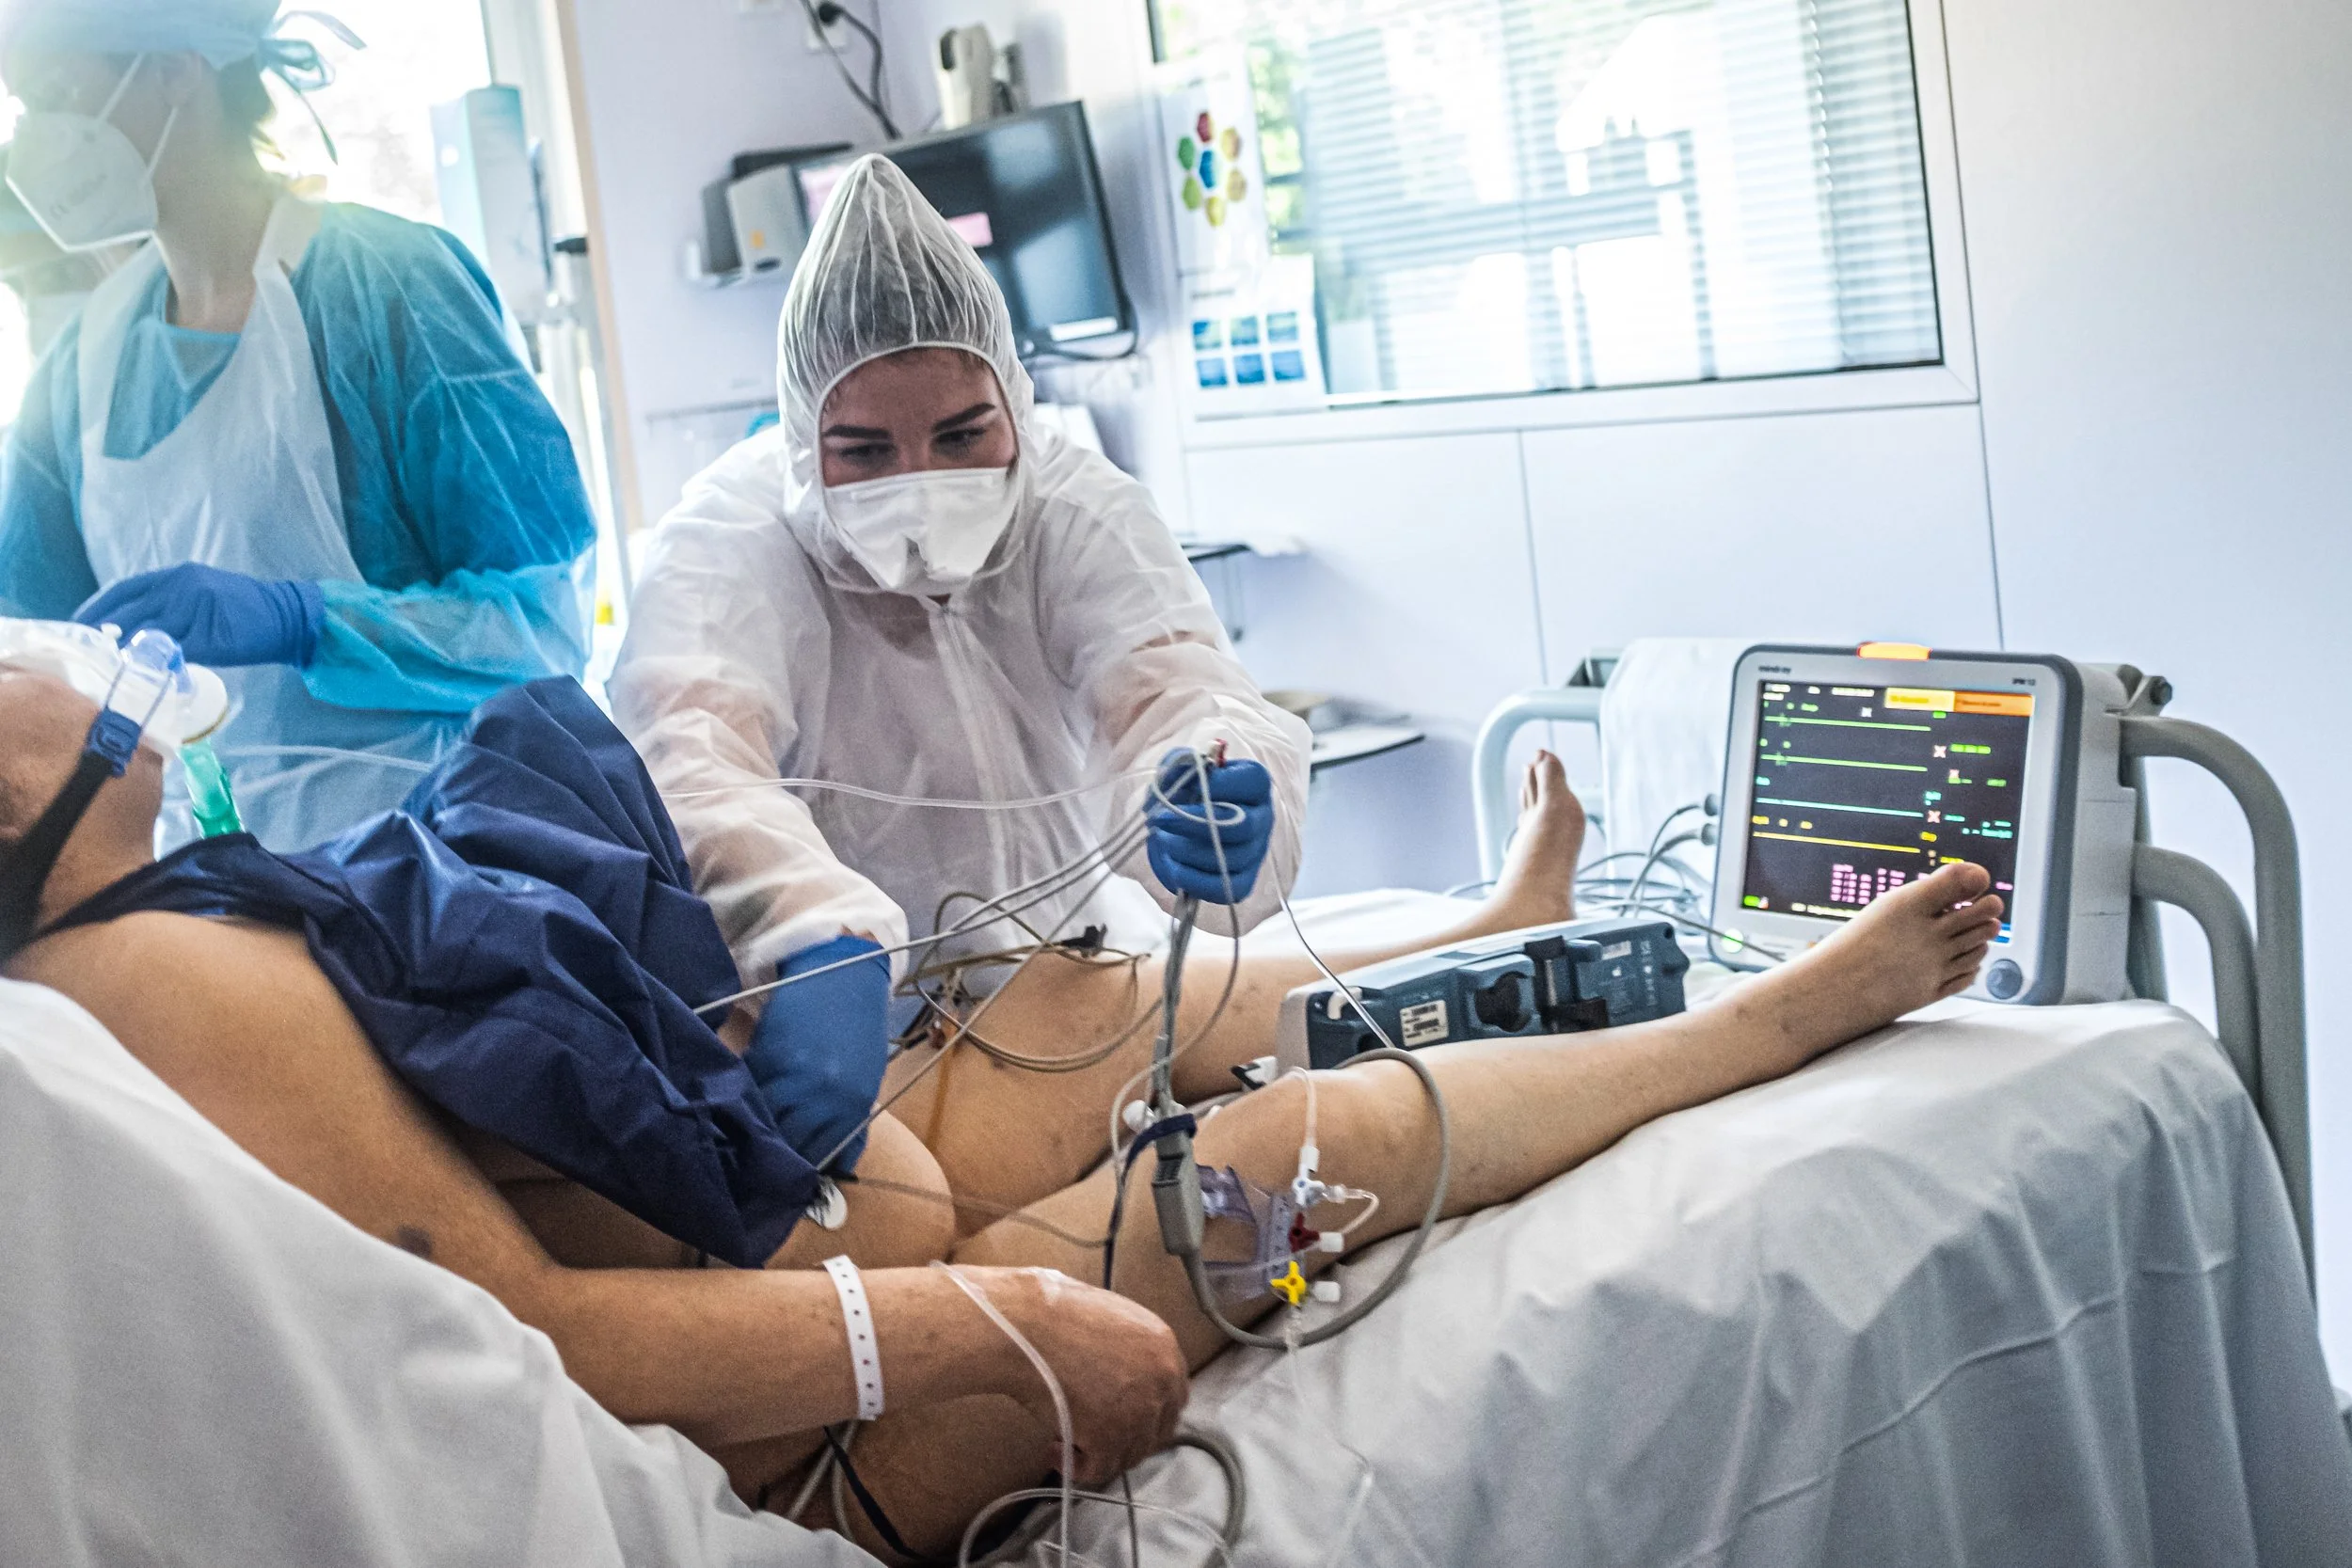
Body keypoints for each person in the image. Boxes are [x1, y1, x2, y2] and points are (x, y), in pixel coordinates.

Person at [0, 658, 2005, 1560]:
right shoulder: (136, 987)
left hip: (804, 1205)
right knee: (1313, 1153)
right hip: (824, 1414)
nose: (77, 666)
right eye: (30, 669)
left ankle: (1486, 923)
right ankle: (1761, 1026)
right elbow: (549, 1337)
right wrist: (974, 1322)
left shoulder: (159, 903)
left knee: (1072, 985)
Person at [608, 155, 1312, 1177]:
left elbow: (1178, 685)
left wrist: (1212, 775)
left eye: (961, 434)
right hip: (846, 1019)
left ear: (1015, 406)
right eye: (863, 451)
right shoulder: (728, 542)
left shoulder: (1075, 508)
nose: (920, 482)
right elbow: (686, 757)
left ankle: (1503, 914)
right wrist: (810, 927)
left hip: (1071, 974)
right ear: (804, 439)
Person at [0, 0, 597, 851]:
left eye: (59, 91)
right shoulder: (79, 370)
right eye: (24, 110)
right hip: (193, 881)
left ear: (177, 67)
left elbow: (541, 629)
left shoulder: (389, 291)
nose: (37, 142)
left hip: (438, 862)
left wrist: (303, 619)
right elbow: (29, 644)